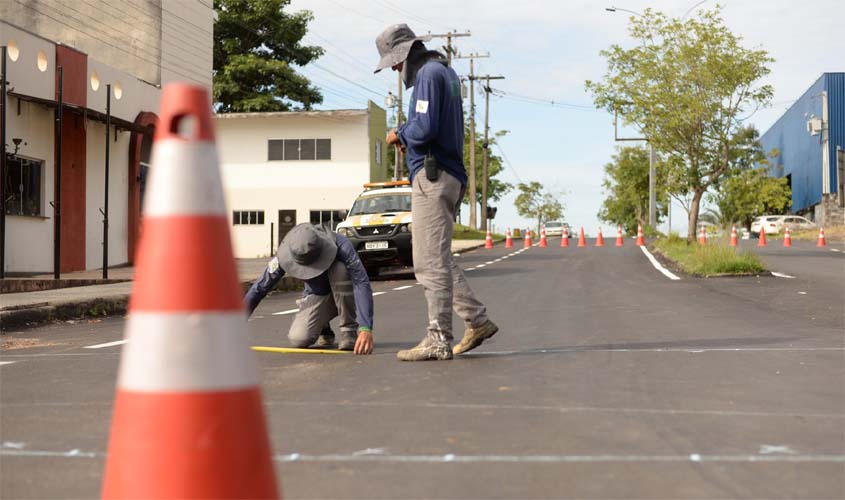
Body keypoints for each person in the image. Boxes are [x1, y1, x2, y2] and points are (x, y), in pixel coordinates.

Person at [374, 24, 498, 361]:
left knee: (427, 263)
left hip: (433, 175)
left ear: (406, 53)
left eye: (396, 63)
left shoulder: (428, 75)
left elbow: (425, 127)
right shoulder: (447, 73)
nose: (397, 69)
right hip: (448, 173)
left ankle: (438, 339)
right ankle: (478, 321)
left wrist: (399, 133)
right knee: (438, 258)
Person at [244, 223, 374, 355]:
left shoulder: (341, 244)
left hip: (345, 294)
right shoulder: (285, 255)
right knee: (299, 339)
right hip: (317, 296)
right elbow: (259, 288)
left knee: (339, 269)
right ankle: (323, 326)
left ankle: (348, 330)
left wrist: (365, 328)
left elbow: (361, 282)